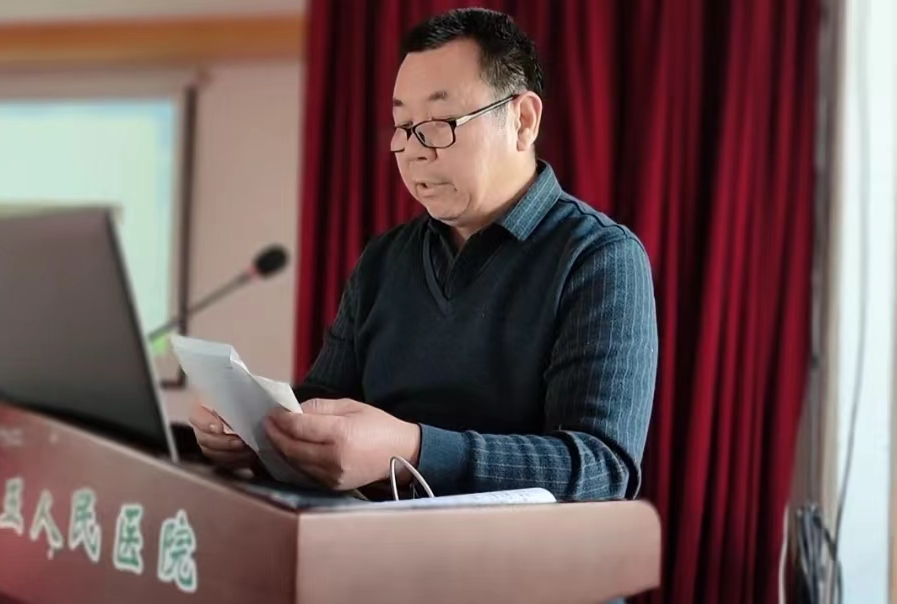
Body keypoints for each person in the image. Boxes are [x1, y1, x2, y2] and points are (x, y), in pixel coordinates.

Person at [190, 7, 658, 502]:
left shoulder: (599, 259)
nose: (413, 151)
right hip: (367, 544)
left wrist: (412, 451)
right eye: (403, 125)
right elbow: (323, 401)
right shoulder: (384, 259)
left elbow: (603, 469)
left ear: (522, 121)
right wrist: (256, 432)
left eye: (439, 123)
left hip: (512, 551)